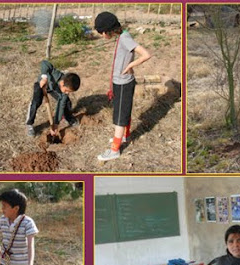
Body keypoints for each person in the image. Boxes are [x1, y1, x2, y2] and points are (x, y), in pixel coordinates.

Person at [94, 11, 152, 162]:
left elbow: (146, 54)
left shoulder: (125, 38)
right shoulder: (121, 35)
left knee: (120, 117)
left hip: (124, 83)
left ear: (108, 30)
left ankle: (114, 150)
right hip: (119, 81)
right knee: (123, 111)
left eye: (102, 33)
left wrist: (131, 65)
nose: (102, 36)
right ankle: (124, 136)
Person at [25, 60, 81, 137]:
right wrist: (44, 78)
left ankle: (68, 117)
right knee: (36, 102)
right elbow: (44, 63)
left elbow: (60, 105)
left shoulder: (64, 92)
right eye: (67, 90)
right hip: (41, 84)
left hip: (52, 88)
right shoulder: (55, 74)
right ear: (62, 83)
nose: (67, 93)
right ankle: (29, 124)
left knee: (66, 102)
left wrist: (56, 124)